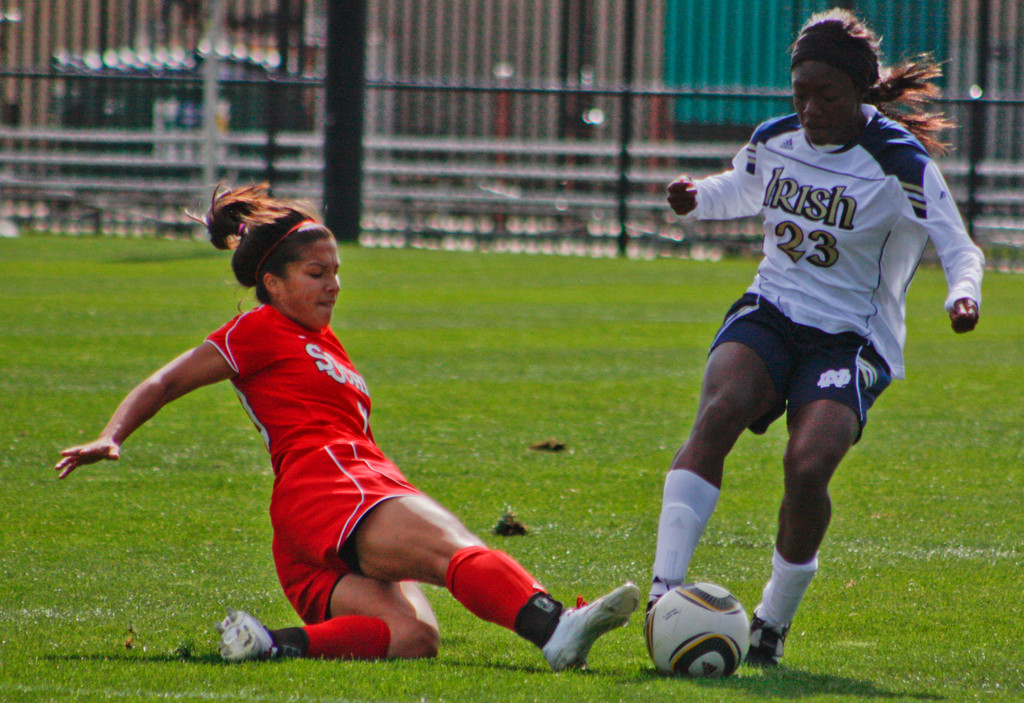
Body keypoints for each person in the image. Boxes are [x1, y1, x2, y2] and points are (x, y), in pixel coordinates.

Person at [55, 183, 640, 669]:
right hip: (331, 486)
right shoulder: (258, 329)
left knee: (414, 639)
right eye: (316, 273)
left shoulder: (320, 340)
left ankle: (267, 643)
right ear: (274, 284)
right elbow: (165, 382)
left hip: (318, 516)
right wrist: (114, 434)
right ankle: (555, 626)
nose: (333, 284)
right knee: (451, 549)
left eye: (336, 271)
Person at [649, 8, 983, 667]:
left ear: (860, 92)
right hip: (772, 309)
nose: (809, 108)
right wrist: (696, 195)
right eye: (800, 92)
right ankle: (665, 591)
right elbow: (740, 188)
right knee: (718, 412)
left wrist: (961, 292)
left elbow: (958, 245)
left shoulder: (899, 164)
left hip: (851, 339)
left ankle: (771, 621)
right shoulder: (776, 139)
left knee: (808, 466)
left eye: (825, 94)